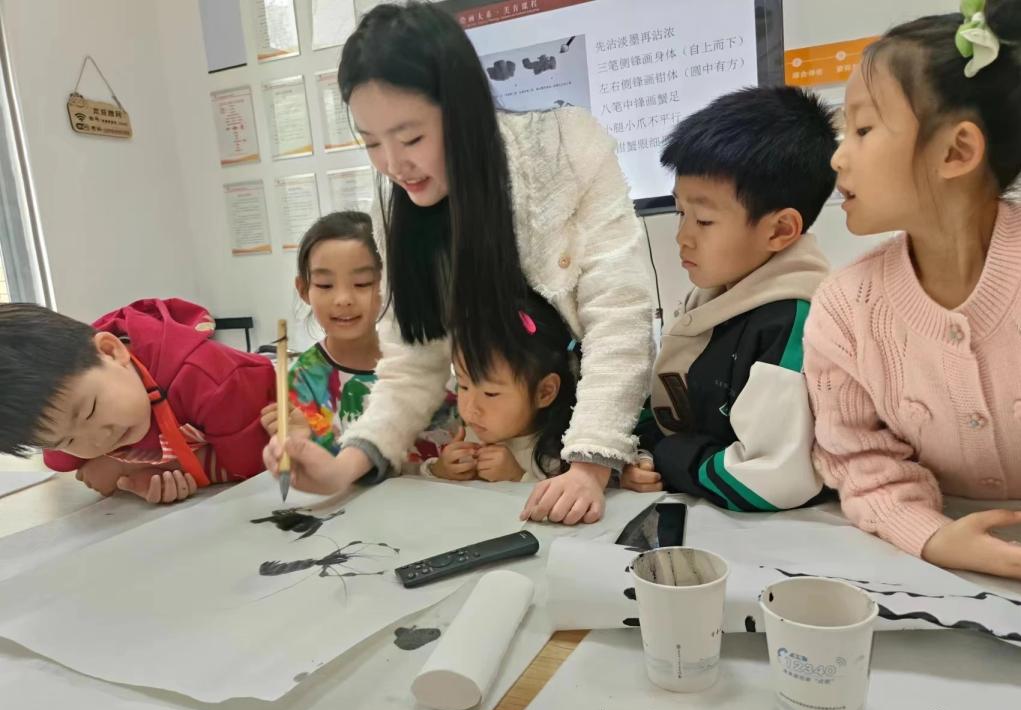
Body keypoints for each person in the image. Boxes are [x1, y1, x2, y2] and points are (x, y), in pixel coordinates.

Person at [264, 2, 654, 526]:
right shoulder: (398, 212)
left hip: (595, 436)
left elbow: (619, 315)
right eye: (372, 142)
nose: (394, 165)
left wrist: (588, 467)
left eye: (411, 138)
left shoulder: (566, 150)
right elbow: (413, 363)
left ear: (462, 111)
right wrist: (341, 469)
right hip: (506, 460)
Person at [805, 0, 1021, 579]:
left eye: (863, 129)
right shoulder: (844, 308)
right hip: (938, 570)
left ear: (956, 152)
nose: (838, 156)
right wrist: (932, 536)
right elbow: (859, 457)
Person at [621, 86, 836, 512]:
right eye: (680, 212)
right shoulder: (713, 295)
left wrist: (667, 456)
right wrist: (641, 454)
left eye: (703, 220)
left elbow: (770, 479)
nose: (682, 236)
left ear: (780, 230)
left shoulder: (794, 319)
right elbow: (670, 402)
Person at [0, 299, 274, 503]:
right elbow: (63, 460)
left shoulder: (211, 379)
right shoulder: (63, 406)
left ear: (111, 351)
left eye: (90, 411)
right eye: (68, 441)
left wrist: (131, 469)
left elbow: (254, 464)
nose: (98, 441)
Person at [258, 211, 458, 465]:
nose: (343, 299)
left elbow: (451, 443)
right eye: (325, 285)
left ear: (389, 285)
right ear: (304, 289)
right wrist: (298, 443)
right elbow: (317, 472)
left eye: (362, 283)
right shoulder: (301, 381)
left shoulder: (419, 364)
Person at [426, 292, 579, 484]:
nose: (471, 408)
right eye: (463, 386)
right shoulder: (467, 435)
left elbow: (563, 498)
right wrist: (439, 470)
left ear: (544, 392)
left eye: (490, 393)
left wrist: (518, 477)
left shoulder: (561, 455)